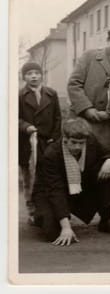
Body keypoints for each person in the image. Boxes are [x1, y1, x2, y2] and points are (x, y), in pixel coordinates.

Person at [32, 118, 110, 246]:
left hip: (77, 186)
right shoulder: (51, 154)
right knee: (52, 233)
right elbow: (55, 190)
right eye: (73, 142)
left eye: (81, 143)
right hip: (50, 192)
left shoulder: (90, 140)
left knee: (107, 169)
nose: (77, 147)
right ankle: (40, 216)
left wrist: (109, 161)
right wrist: (66, 227)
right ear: (65, 139)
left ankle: (106, 220)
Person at [67, 24, 110, 157]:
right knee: (76, 162)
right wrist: (87, 109)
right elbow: (74, 84)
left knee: (103, 167)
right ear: (108, 40)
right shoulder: (89, 57)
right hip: (82, 122)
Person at [19, 61, 62, 222]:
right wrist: (26, 127)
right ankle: (32, 210)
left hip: (47, 142)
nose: (34, 76)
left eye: (36, 73)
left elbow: (58, 118)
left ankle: (50, 207)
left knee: (49, 175)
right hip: (27, 144)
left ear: (41, 75)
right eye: (29, 74)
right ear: (24, 77)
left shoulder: (51, 93)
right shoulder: (19, 96)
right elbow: (12, 118)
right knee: (30, 177)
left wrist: (54, 137)